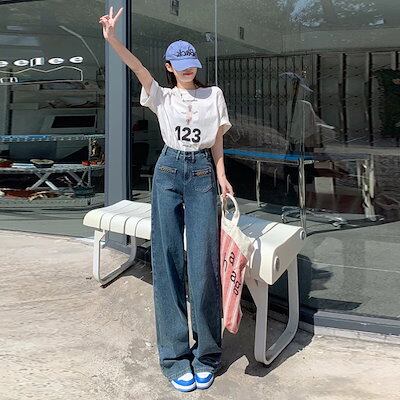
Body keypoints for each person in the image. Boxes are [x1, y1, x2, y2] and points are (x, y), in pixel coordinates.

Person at [99, 6, 234, 392]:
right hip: (169, 171)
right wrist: (112, 39)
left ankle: (207, 353)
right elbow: (138, 67)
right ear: (170, 67)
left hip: (203, 173)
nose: (187, 69)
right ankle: (174, 357)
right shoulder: (161, 95)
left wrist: (221, 175)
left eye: (192, 64)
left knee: (204, 264)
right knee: (168, 259)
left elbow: (217, 139)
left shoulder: (213, 94)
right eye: (180, 64)